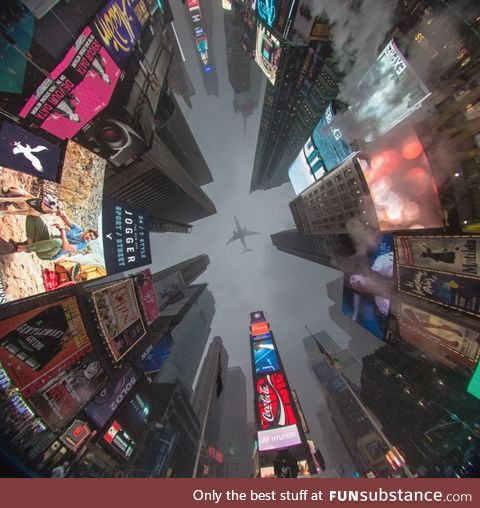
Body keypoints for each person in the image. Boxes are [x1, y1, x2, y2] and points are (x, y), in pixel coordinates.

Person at [7, 209, 98, 261]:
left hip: (49, 253)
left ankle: (23, 248)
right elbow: (65, 218)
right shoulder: (78, 229)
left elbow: (65, 247)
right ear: (87, 231)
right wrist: (60, 212)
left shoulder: (82, 245)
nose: (89, 238)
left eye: (91, 238)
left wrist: (62, 230)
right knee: (34, 217)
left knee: (59, 242)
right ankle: (29, 243)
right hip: (47, 241)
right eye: (90, 235)